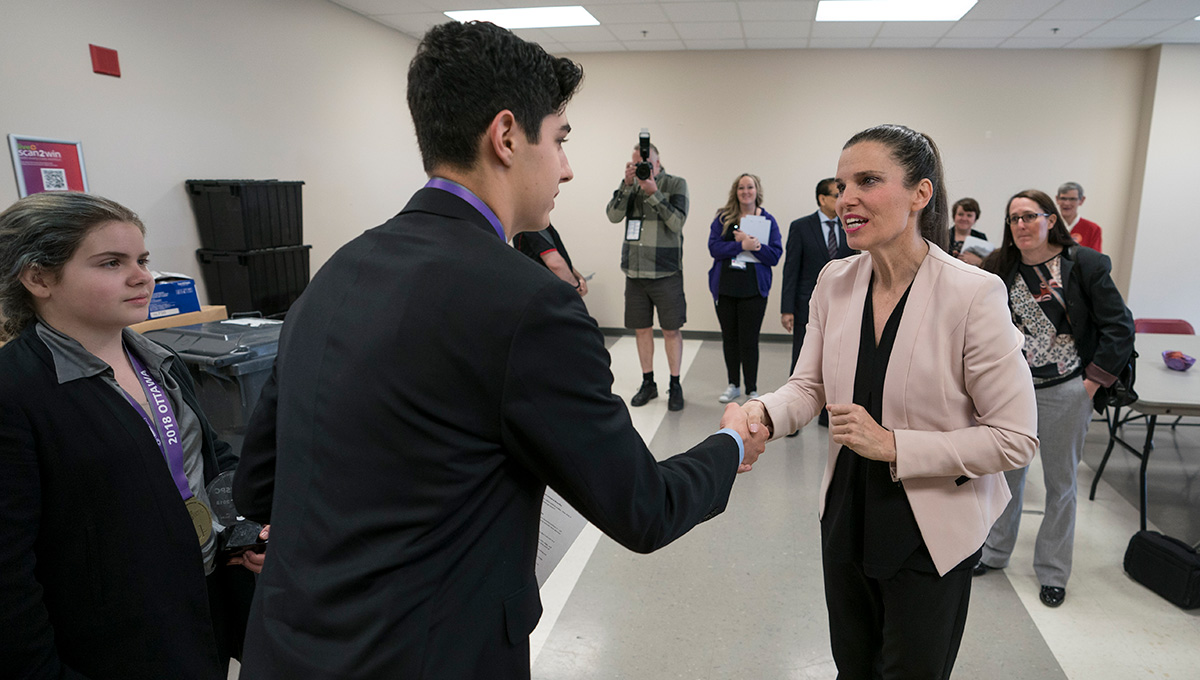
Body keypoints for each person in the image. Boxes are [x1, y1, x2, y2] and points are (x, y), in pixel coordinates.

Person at [232, 21, 766, 679]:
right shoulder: (530, 304)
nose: (567, 167)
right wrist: (732, 444)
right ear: (508, 136)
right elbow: (643, 508)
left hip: (286, 649)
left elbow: (259, 482)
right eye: (561, 139)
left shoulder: (341, 268)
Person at [740, 124, 1038, 678]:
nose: (846, 197)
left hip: (930, 529)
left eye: (868, 181)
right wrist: (763, 412)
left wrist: (896, 445)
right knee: (853, 667)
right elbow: (809, 386)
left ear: (920, 194)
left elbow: (1014, 438)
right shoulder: (835, 281)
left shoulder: (972, 293)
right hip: (848, 513)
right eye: (842, 183)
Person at [0, 192, 262, 679]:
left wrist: (244, 530)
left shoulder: (159, 361)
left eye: (141, 259)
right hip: (117, 641)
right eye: (110, 263)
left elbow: (208, 455)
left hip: (200, 604)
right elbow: (8, 571)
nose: (142, 276)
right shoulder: (16, 393)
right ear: (38, 278)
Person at [976, 189, 1134, 608]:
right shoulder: (999, 267)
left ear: (1051, 219)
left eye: (1030, 216)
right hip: (1013, 392)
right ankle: (994, 552)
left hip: (1068, 389)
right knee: (1006, 478)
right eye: (1013, 219)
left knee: (1060, 485)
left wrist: (1090, 385)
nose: (1021, 225)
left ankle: (1052, 571)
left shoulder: (1084, 264)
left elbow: (1120, 327)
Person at [605, 137, 690, 410]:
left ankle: (675, 384)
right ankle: (648, 382)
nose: (642, 167)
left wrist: (653, 191)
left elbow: (676, 222)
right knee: (641, 330)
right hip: (635, 271)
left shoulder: (676, 183)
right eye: (636, 163)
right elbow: (613, 216)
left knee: (670, 331)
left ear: (657, 161)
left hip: (666, 271)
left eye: (646, 163)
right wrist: (627, 185)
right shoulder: (629, 187)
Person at [780, 177, 853, 428]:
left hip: (843, 302)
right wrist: (787, 308)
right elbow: (791, 269)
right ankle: (792, 415)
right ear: (822, 199)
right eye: (837, 194)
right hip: (806, 304)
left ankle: (827, 413)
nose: (842, 200)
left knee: (836, 359)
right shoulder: (801, 227)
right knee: (801, 358)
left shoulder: (850, 225)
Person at [707, 173, 782, 403]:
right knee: (729, 339)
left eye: (750, 187)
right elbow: (714, 248)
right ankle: (733, 385)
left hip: (754, 291)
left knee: (749, 340)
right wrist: (741, 245)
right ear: (736, 191)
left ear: (757, 191)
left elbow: (775, 255)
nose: (746, 191)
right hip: (726, 288)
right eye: (741, 187)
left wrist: (755, 247)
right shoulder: (723, 217)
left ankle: (752, 388)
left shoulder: (767, 221)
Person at [512, 223, 587, 296]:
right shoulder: (532, 225)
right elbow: (555, 263)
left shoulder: (543, 225)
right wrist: (575, 286)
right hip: (544, 292)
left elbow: (560, 258)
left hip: (546, 291)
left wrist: (578, 277)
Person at [1056, 181, 1102, 252]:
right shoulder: (1049, 225)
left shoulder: (1093, 229)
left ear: (1081, 200)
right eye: (1063, 198)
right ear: (1057, 199)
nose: (1067, 203)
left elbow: (1095, 260)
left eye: (1072, 199)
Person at [947, 196, 988, 265]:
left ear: (975, 219)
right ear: (954, 216)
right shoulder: (943, 235)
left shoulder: (981, 238)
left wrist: (979, 261)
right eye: (960, 214)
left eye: (969, 215)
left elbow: (988, 265)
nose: (964, 218)